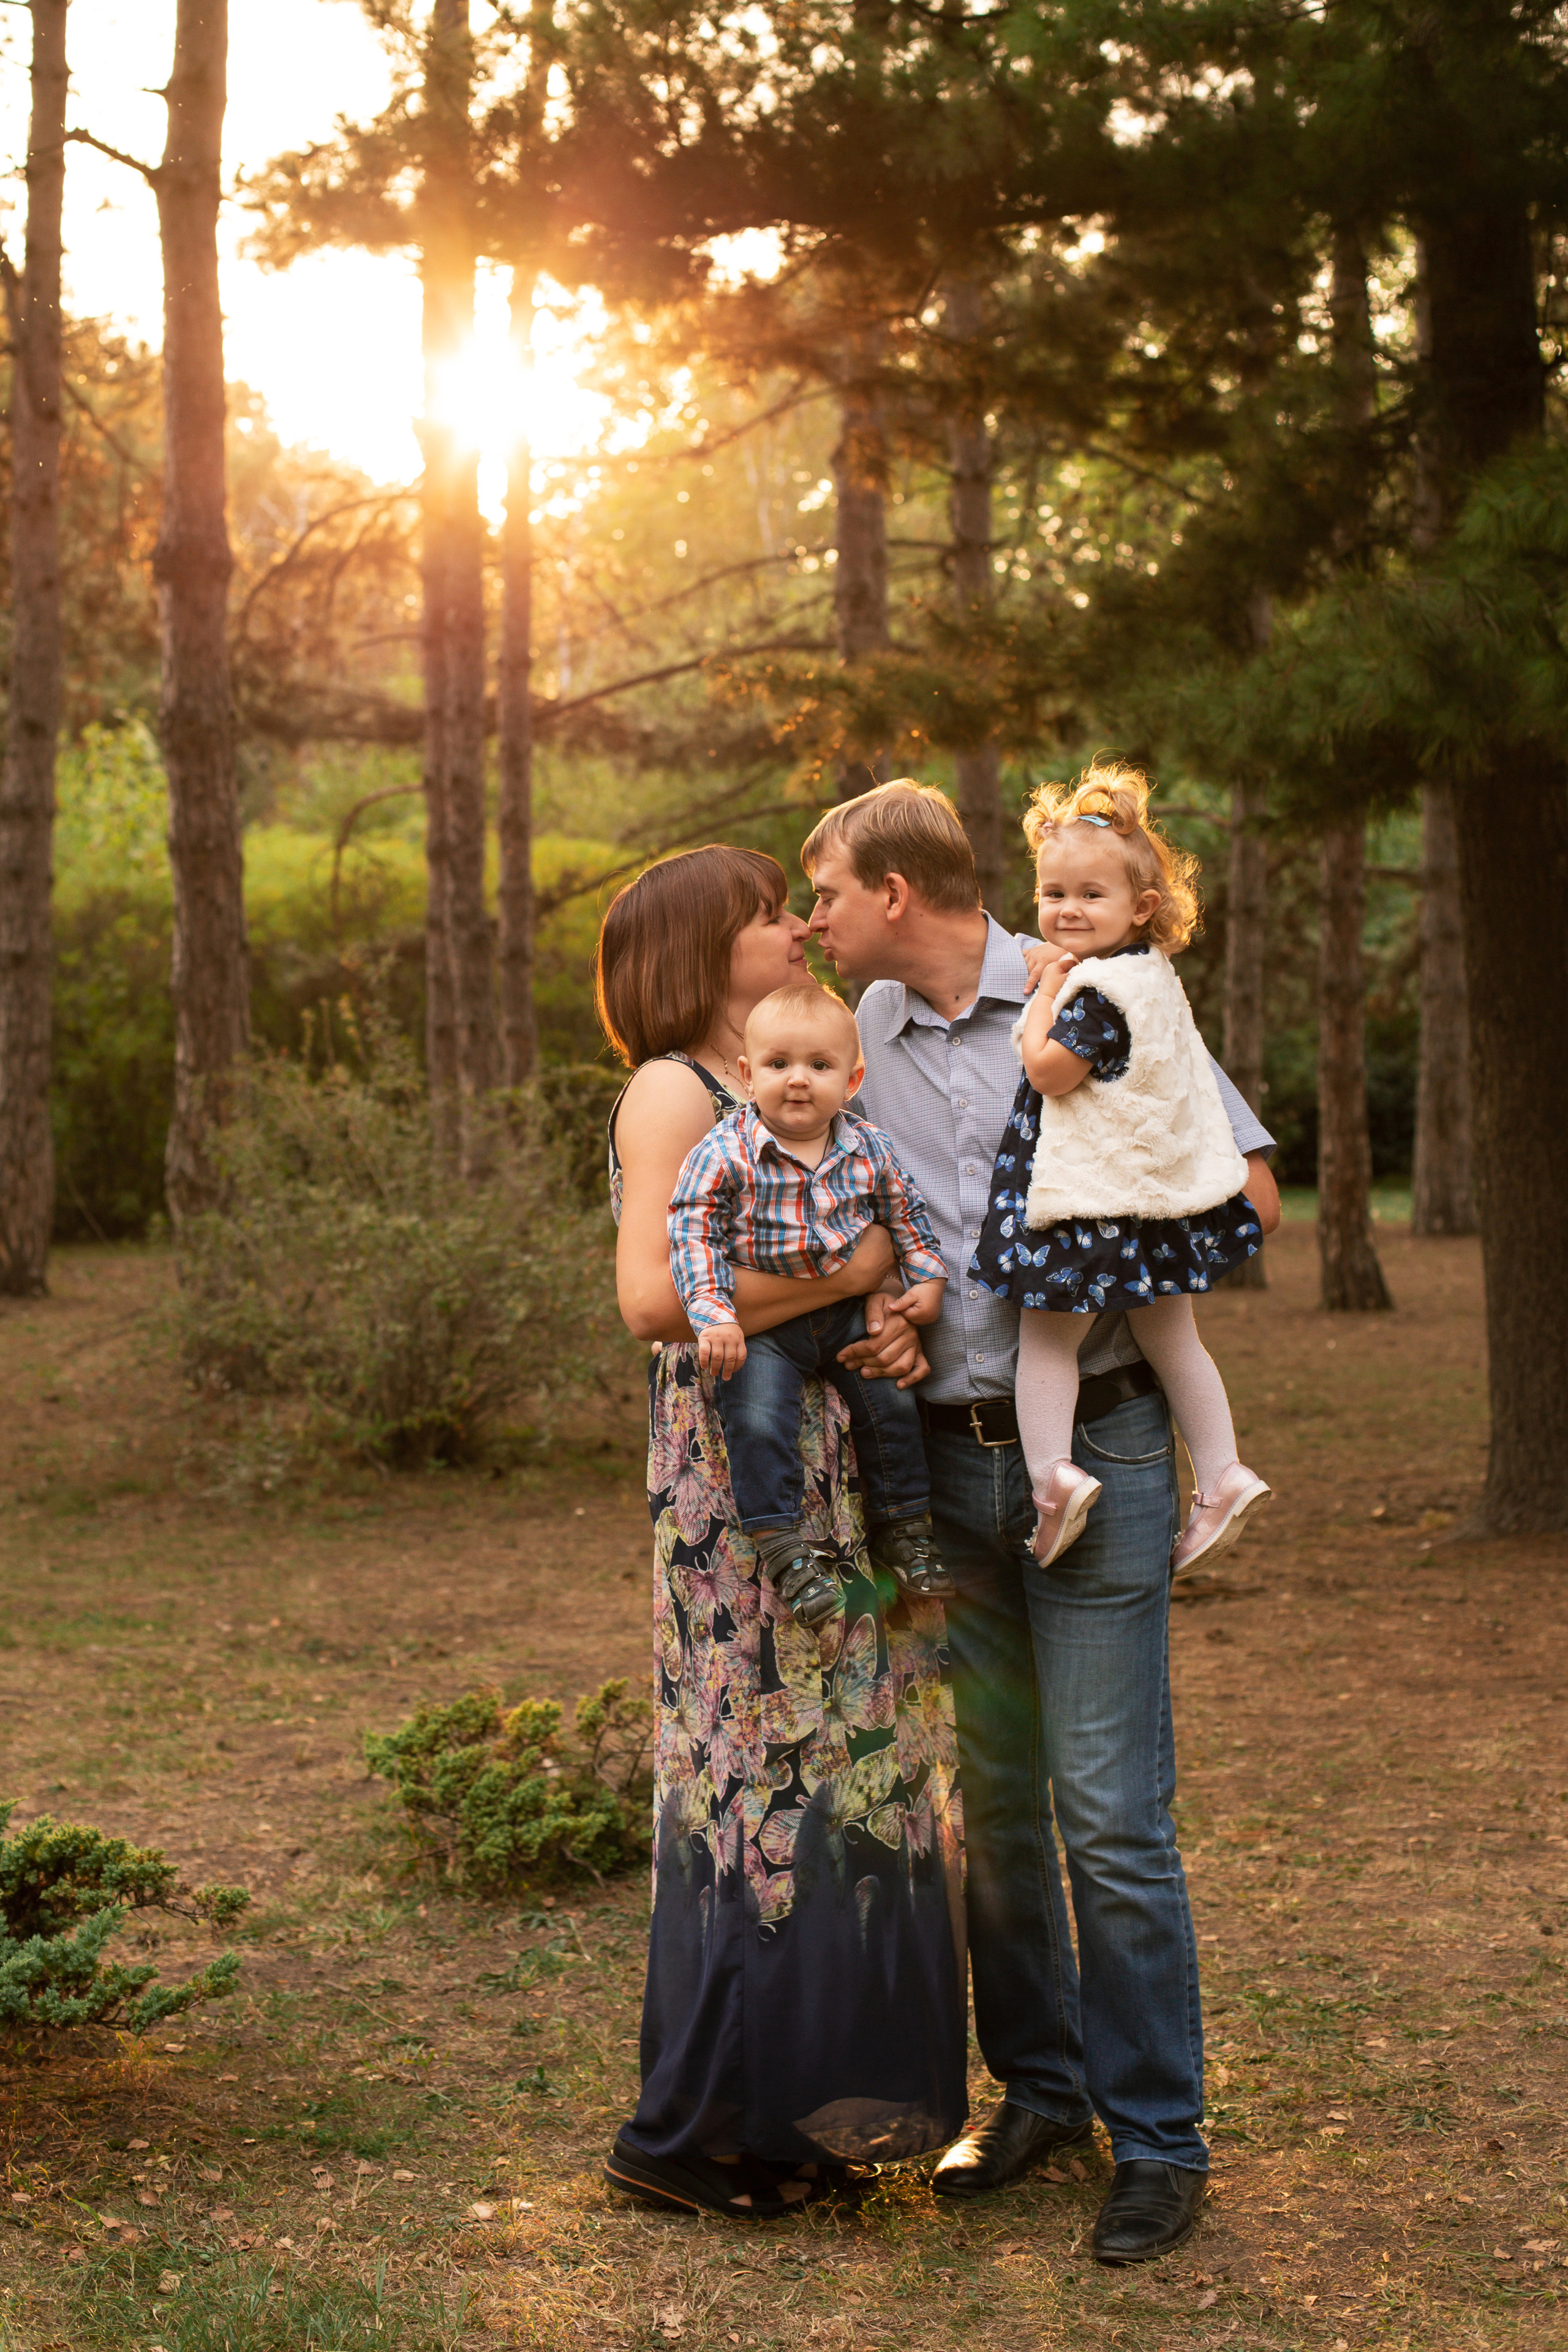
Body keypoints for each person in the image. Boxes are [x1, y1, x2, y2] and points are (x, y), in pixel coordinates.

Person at [802, 780, 1281, 2266]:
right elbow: (869, 1194)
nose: (813, 917)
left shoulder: (1102, 980)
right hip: (944, 1468)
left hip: (1106, 1450)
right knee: (996, 1811)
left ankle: (1157, 2136)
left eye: (823, 888)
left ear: (894, 891)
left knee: (1110, 1817)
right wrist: (885, 1295)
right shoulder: (868, 1027)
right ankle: (1041, 2093)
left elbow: (1249, 1186)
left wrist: (1100, 1227)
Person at [595, 844, 967, 2222]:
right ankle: (692, 2131)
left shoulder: (790, 1079)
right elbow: (648, 1297)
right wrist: (857, 1270)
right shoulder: (673, 1092)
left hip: (823, 1464)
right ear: (704, 951)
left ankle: (797, 2115)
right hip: (735, 1499)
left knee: (831, 1768)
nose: (792, 928)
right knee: (753, 1782)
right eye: (764, 917)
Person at [972, 766, 1272, 1575]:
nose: (1065, 910)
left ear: (1142, 908)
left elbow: (1048, 1073)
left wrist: (1044, 994)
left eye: (1089, 897)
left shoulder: (1094, 993)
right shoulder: (1151, 978)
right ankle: (1220, 1471)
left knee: (1044, 1340)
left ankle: (1051, 1481)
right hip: (1151, 1204)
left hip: (1087, 1204)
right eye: (1051, 892)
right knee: (1173, 1336)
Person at [668, 979, 952, 1629]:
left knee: (892, 1406)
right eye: (778, 1065)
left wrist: (926, 1281)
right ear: (747, 1074)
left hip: (844, 1315)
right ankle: (782, 1546)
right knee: (757, 1414)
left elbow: (907, 1216)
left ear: (852, 1079)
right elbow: (692, 1232)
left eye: (818, 1066)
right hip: (765, 1324)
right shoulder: (724, 1151)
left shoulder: (868, 1147)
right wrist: (715, 1314)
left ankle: (904, 1528)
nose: (798, 1081)